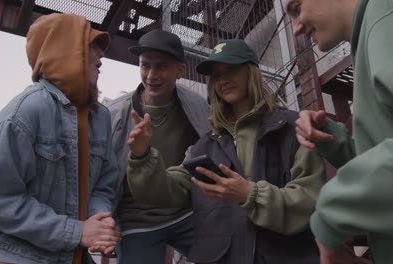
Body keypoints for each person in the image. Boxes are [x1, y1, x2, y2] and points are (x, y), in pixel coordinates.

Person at [281, 0, 393, 263]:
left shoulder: (391, 11)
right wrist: (334, 140)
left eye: (297, 7)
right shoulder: (376, 29)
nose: (295, 28)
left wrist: (335, 209)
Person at [126, 39, 326, 264]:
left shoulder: (294, 127)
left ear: (252, 73)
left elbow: (311, 202)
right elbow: (164, 191)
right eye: (216, 75)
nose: (223, 80)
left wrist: (249, 194)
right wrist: (142, 156)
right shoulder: (202, 147)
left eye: (231, 70)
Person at [0, 13, 121, 264]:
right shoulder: (24, 112)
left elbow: (104, 185)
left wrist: (100, 223)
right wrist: (78, 232)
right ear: (65, 51)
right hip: (19, 257)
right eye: (91, 46)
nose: (101, 55)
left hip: (74, 256)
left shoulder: (100, 116)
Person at [105, 29, 210, 264]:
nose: (151, 75)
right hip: (136, 220)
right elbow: (101, 174)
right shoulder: (114, 114)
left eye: (161, 66)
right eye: (145, 65)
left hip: (186, 211)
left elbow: (210, 149)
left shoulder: (197, 105)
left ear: (180, 70)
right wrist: (105, 219)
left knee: (230, 253)